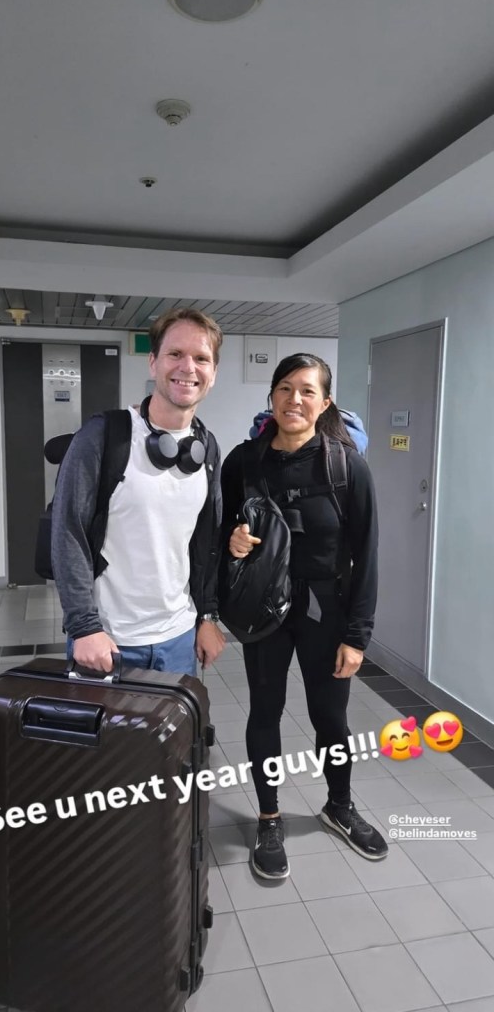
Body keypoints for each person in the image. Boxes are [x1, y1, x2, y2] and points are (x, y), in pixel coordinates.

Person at [220, 353, 387, 880]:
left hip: (326, 613)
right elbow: (220, 536)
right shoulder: (243, 463)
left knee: (331, 718)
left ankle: (339, 805)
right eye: (285, 388)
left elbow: (368, 556)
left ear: (325, 402)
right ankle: (269, 818)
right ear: (271, 396)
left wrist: (357, 636)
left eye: (308, 391)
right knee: (264, 713)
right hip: (263, 609)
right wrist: (233, 541)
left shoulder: (346, 467)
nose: (295, 399)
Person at [52, 308, 226, 676]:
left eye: (201, 358)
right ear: (153, 362)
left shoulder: (206, 448)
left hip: (179, 638)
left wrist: (207, 616)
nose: (188, 367)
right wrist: (84, 627)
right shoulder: (104, 436)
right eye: (175, 354)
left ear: (213, 373)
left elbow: (206, 541)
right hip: (107, 641)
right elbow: (68, 531)